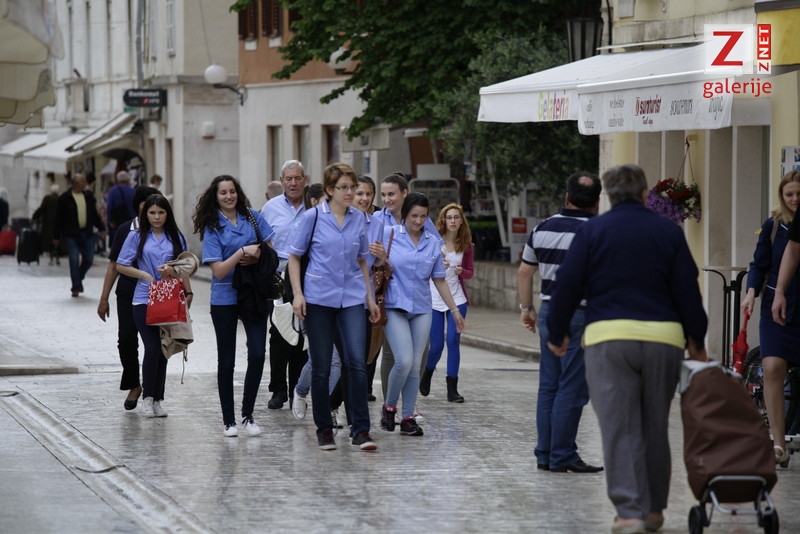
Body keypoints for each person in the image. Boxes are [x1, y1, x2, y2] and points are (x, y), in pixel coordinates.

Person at [545, 164, 708, 534]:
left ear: (608, 195)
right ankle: (654, 510)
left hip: (609, 339)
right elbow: (687, 287)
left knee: (620, 427)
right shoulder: (668, 231)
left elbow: (568, 284)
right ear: (644, 193)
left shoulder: (593, 231)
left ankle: (630, 511)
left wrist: (558, 332)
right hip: (664, 340)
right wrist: (696, 339)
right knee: (654, 425)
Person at [287, 162, 380, 450]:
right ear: (329, 189)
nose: (350, 193)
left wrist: (370, 297)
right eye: (344, 188)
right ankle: (324, 429)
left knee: (357, 363)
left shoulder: (359, 219)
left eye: (353, 187)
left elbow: (362, 259)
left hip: (351, 297)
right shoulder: (313, 217)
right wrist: (298, 295)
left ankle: (360, 430)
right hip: (318, 299)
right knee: (322, 366)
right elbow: (294, 257)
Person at [516, 173, 604, 474]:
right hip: (583, 313)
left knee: (549, 385)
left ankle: (545, 453)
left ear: (567, 197)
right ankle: (562, 454)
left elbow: (524, 272)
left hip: (548, 311)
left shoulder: (542, 227)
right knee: (572, 387)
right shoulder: (597, 230)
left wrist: (527, 309)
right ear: (597, 201)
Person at [193, 175, 276, 437]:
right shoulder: (212, 226)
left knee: (258, 354)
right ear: (215, 197)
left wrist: (256, 257)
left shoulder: (252, 216)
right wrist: (241, 252)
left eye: (232, 191)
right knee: (226, 360)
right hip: (224, 297)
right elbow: (218, 271)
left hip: (254, 294)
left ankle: (248, 414)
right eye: (223, 193)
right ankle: (228, 420)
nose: (229, 196)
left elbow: (270, 249)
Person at [378, 192, 465, 437]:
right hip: (395, 305)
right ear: (405, 214)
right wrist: (380, 260)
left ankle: (408, 417)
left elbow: (439, 279)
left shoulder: (432, 242)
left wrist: (455, 311)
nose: (418, 221)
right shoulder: (388, 235)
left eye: (423, 216)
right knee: (404, 361)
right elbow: (369, 264)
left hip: (422, 308)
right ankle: (389, 406)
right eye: (414, 215)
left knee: (415, 366)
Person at [116, 194, 193, 418]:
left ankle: (158, 399)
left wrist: (187, 291)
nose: (157, 217)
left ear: (167, 213)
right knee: (152, 348)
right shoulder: (136, 236)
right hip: (143, 297)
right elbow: (121, 264)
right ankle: (147, 399)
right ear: (145, 214)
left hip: (169, 296)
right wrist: (144, 275)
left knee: (163, 349)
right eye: (152, 213)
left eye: (161, 212)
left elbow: (183, 267)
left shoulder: (176, 236)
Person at [377, 173, 441, 415]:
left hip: (419, 301)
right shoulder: (379, 221)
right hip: (392, 299)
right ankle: (389, 403)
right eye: (383, 195)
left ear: (404, 194)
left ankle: (408, 410)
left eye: (391, 194)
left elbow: (434, 248)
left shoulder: (421, 218)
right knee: (393, 356)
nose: (387, 199)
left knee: (415, 359)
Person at [97, 185, 160, 411]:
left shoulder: (164, 231)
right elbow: (113, 265)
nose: (152, 212)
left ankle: (154, 392)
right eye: (146, 206)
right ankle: (134, 384)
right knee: (126, 339)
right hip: (127, 292)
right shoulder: (126, 230)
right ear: (139, 207)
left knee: (154, 343)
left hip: (154, 293)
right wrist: (104, 298)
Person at [756, 171, 800, 467]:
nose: (795, 199)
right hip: (778, 306)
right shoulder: (774, 226)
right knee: (773, 367)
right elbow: (760, 264)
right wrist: (751, 292)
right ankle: (778, 444)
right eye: (789, 194)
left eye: (799, 194)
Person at [260, 160, 309, 409]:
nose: (293, 183)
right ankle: (278, 389)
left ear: (305, 179)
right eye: (288, 179)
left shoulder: (314, 207)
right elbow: (261, 240)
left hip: (308, 277)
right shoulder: (270, 208)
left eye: (297, 178)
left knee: (301, 334)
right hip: (278, 277)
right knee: (279, 332)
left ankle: (296, 389)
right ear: (281, 181)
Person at [421, 203, 474, 403]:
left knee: (453, 341)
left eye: (456, 217)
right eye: (449, 217)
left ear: (461, 221)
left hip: (457, 298)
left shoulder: (466, 246)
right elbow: (422, 268)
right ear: (444, 220)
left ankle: (452, 389)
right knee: (436, 345)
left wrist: (462, 271)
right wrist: (436, 265)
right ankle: (427, 372)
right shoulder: (433, 241)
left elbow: (470, 272)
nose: (452, 221)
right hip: (434, 297)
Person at [53, 173, 107, 297]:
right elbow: (58, 218)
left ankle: (78, 278)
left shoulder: (88, 196)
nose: (86, 184)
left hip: (86, 233)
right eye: (83, 182)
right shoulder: (65, 198)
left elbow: (94, 215)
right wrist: (56, 236)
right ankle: (76, 287)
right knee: (74, 260)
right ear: (76, 184)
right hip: (71, 234)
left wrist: (101, 228)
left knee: (88, 259)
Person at [356, 175, 381, 400]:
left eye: (368, 194)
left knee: (361, 356)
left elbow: (377, 264)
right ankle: (304, 390)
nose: (364, 198)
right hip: (335, 297)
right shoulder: (336, 220)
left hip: (365, 297)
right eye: (360, 193)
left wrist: (382, 257)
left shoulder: (377, 224)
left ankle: (354, 408)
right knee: (337, 359)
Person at [32, 184, 62, 265]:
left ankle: (51, 258)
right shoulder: (61, 199)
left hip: (48, 224)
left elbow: (41, 209)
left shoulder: (48, 198)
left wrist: (34, 216)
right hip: (58, 224)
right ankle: (57, 258)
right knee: (57, 242)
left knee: (49, 242)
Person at [106, 171, 136, 246]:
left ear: (118, 180)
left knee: (118, 240)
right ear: (127, 180)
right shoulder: (132, 191)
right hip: (130, 218)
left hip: (117, 220)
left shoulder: (113, 191)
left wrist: (110, 220)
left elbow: (109, 206)